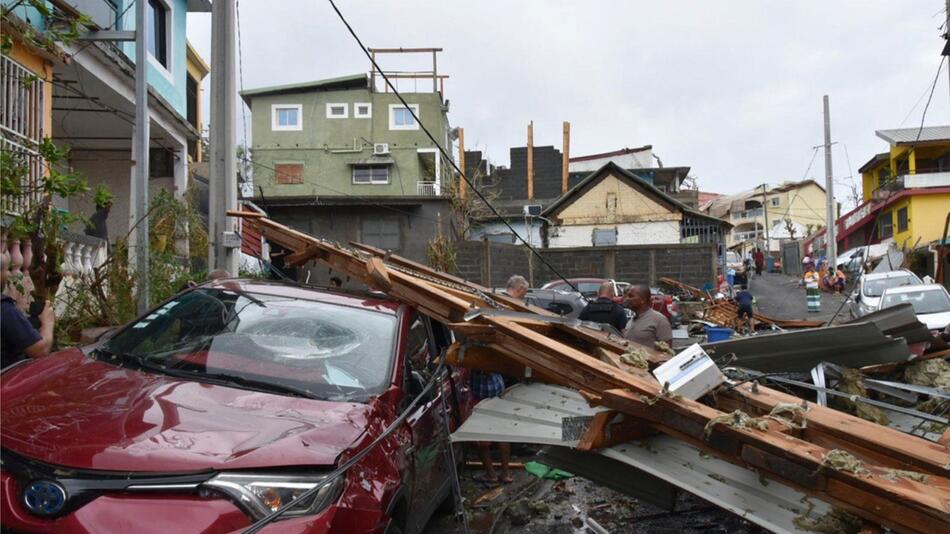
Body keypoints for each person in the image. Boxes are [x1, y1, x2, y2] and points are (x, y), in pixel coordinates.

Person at [470, 274, 526, 484]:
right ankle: (505, 473)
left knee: (481, 433)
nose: (525, 296)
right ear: (519, 288)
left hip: (483, 385)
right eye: (525, 292)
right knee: (502, 431)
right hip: (497, 381)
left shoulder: (492, 308)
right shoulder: (506, 309)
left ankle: (491, 474)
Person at [1, 248, 55, 369]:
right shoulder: (4, 309)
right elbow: (40, 350)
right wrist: (47, 323)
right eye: (6, 270)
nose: (9, 274)